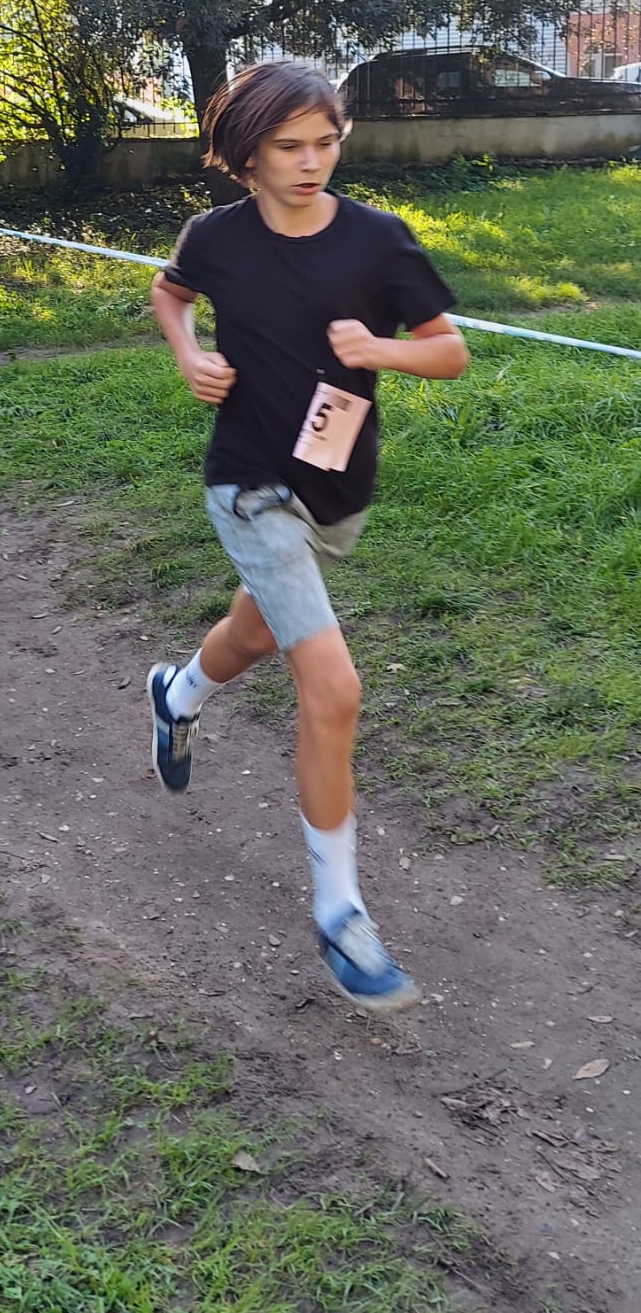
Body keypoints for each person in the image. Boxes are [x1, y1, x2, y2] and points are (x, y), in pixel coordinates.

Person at [147, 61, 469, 1013]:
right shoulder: (215, 237)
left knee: (253, 631)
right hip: (247, 482)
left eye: (325, 142)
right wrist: (189, 354)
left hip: (338, 484)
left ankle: (176, 693)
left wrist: (382, 350)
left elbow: (449, 349)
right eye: (288, 146)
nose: (310, 161)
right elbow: (170, 294)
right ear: (244, 155)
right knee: (333, 688)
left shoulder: (377, 239)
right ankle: (341, 916)